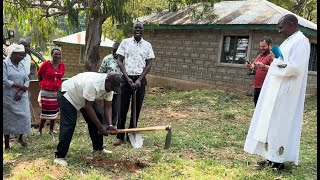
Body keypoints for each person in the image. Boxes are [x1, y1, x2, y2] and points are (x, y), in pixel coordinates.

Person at [243, 14, 311, 170]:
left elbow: (295, 67)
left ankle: (278, 160)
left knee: (280, 124)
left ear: (292, 24)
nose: (279, 31)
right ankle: (269, 157)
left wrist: (275, 61)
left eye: (281, 27)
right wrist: (276, 60)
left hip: (287, 92)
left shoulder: (301, 41)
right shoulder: (289, 41)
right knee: (270, 123)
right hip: (276, 89)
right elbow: (284, 62)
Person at [54, 71, 121, 166]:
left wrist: (109, 125)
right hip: (68, 95)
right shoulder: (93, 83)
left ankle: (98, 149)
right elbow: (88, 107)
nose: (111, 90)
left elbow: (108, 106)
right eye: (111, 87)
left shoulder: (110, 88)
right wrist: (100, 127)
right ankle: (59, 156)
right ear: (107, 81)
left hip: (83, 97)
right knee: (69, 124)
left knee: (98, 115)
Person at [113, 21, 155, 146]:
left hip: (140, 80)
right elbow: (120, 61)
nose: (138, 30)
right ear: (133, 30)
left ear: (143, 30)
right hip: (126, 80)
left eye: (140, 28)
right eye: (136, 28)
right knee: (122, 108)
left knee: (136, 109)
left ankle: (131, 133)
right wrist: (128, 78)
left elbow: (149, 64)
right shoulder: (125, 43)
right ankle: (120, 136)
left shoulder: (147, 45)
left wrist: (139, 80)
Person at [3, 44, 31, 149]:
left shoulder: (22, 64)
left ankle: (20, 137)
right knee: (8, 119)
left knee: (24, 117)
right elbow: (4, 80)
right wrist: (19, 86)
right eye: (20, 55)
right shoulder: (5, 64)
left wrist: (21, 91)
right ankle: (7, 144)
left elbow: (27, 79)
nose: (23, 57)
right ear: (13, 54)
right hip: (8, 96)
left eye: (23, 55)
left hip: (21, 95)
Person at [37, 48, 65, 135]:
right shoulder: (46, 64)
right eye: (56, 54)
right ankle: (40, 130)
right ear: (51, 55)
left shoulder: (62, 65)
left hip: (56, 92)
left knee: (55, 111)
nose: (58, 56)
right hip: (46, 91)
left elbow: (61, 77)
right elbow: (39, 74)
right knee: (45, 111)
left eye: (59, 54)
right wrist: (42, 83)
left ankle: (51, 130)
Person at [98, 42, 121, 126]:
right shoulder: (107, 59)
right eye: (113, 51)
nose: (115, 53)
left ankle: (113, 123)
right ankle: (104, 123)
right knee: (106, 106)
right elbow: (101, 72)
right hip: (108, 87)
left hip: (118, 88)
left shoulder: (124, 60)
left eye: (116, 51)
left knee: (116, 107)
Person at [246, 36, 273, 106]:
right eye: (261, 46)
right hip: (257, 85)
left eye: (264, 46)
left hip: (266, 86)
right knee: (257, 104)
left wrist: (263, 66)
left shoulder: (272, 56)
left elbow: (276, 69)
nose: (262, 48)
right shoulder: (260, 56)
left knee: (264, 106)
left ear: (270, 46)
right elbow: (253, 66)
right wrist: (249, 66)